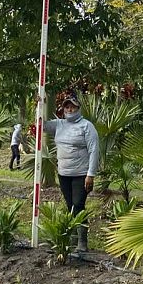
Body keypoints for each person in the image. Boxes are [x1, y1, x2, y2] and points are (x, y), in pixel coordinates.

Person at [43, 91, 100, 254]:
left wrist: (91, 174)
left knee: (78, 205)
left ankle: (82, 242)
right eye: (66, 106)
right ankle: (73, 239)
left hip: (81, 174)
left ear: (78, 107)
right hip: (64, 174)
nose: (69, 109)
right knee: (70, 206)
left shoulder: (87, 126)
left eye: (72, 106)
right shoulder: (59, 124)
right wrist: (41, 103)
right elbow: (42, 125)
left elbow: (94, 150)